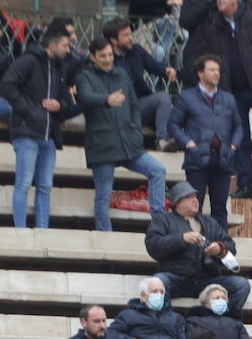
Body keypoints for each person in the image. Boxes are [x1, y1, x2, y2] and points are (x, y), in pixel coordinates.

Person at [181, 0, 252, 202]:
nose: (219, 2)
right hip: (233, 91)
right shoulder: (215, 26)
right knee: (240, 139)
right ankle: (245, 184)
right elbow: (208, 56)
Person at [78, 38, 167, 233]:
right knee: (103, 194)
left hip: (128, 142)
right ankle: (105, 234)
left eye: (110, 55)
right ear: (93, 57)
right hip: (102, 143)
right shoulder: (85, 76)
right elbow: (84, 97)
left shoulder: (122, 75)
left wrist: (135, 130)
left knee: (158, 171)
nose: (108, 59)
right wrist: (106, 100)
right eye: (102, 56)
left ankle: (159, 223)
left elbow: (134, 106)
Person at [1, 25, 76, 228]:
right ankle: (20, 230)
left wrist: (60, 105)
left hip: (49, 135)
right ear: (52, 45)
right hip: (26, 132)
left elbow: (65, 98)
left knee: (45, 186)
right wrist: (29, 110)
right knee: (24, 183)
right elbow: (7, 85)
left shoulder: (60, 67)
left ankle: (42, 230)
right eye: (65, 46)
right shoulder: (28, 60)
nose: (68, 50)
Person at [144, 184, 250, 316]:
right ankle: (166, 321)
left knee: (241, 285)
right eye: (188, 197)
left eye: (195, 197)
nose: (195, 200)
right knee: (159, 281)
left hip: (206, 280)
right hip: (175, 278)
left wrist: (220, 248)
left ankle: (226, 322)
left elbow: (231, 245)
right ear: (177, 202)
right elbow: (153, 245)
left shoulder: (210, 222)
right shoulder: (163, 220)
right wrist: (181, 239)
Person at [168, 55, 242, 226]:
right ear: (200, 73)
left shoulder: (228, 98)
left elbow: (239, 126)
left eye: (218, 70)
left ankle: (221, 248)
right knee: (194, 206)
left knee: (220, 207)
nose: (217, 73)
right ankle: (197, 246)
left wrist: (233, 146)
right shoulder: (187, 97)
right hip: (197, 157)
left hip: (223, 157)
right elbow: (173, 125)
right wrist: (189, 144)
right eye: (212, 70)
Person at [103, 18, 175, 150]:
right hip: (117, 107)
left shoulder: (136, 50)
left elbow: (154, 66)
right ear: (113, 40)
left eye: (131, 34)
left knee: (163, 98)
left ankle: (163, 141)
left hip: (139, 103)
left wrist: (167, 71)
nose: (131, 38)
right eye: (126, 35)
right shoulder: (105, 57)